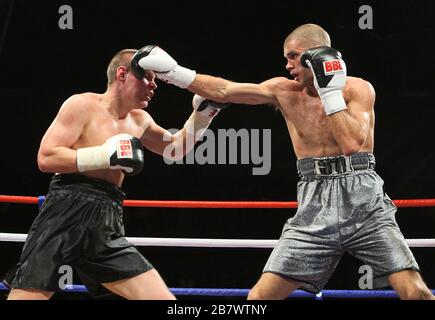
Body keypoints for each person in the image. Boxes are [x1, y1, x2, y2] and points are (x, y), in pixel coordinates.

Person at [132, 24, 434, 300]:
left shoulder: (358, 88)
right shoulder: (283, 91)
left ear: (313, 55)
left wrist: (330, 91)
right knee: (259, 298)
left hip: (365, 203)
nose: (287, 65)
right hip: (313, 205)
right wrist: (173, 72)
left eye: (293, 56)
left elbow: (352, 144)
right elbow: (224, 90)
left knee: (415, 292)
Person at [7, 49, 226, 300]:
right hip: (66, 209)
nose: (154, 85)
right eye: (148, 77)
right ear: (122, 74)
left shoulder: (140, 120)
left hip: (107, 217)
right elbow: (46, 158)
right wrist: (104, 156)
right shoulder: (82, 104)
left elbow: (174, 149)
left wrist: (202, 116)